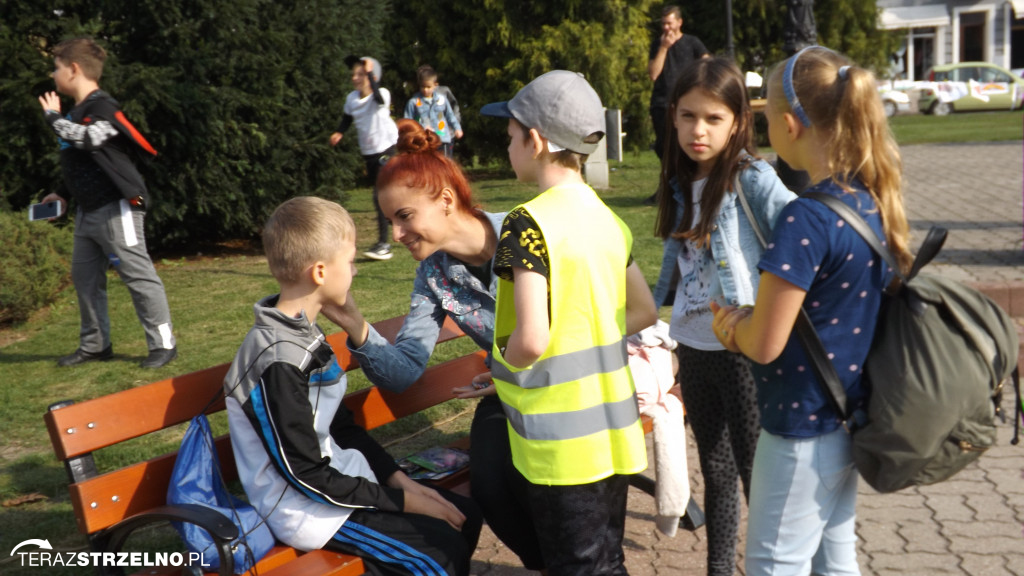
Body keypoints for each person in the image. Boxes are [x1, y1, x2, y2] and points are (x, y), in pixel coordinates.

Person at [710, 47, 912, 575]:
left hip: (800, 428)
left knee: (774, 564)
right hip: (848, 419)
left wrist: (733, 326)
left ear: (789, 125)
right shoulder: (870, 200)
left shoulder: (806, 218)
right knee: (834, 561)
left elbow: (765, 343)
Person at [321, 118, 546, 571]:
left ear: (445, 200)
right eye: (391, 222)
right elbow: (404, 372)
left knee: (541, 482)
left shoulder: (523, 232)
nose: (397, 235)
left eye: (404, 217)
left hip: (560, 386)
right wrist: (356, 325)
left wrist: (512, 378)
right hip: (505, 393)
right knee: (489, 487)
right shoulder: (434, 274)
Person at [223, 196, 482, 576]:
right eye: (349, 260)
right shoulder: (276, 360)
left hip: (340, 486)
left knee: (464, 516)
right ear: (320, 272)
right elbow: (303, 474)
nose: (355, 270)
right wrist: (402, 501)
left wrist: (400, 482)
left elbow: (342, 428)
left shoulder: (302, 334)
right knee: (437, 554)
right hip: (307, 511)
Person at [480, 70, 658, 576]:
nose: (508, 147)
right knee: (607, 562)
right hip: (612, 434)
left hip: (559, 448)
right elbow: (644, 311)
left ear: (535, 141)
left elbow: (532, 339)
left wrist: (500, 366)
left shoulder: (526, 223)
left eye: (511, 136)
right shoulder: (608, 219)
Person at [652, 58, 795, 576]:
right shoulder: (678, 183)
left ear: (737, 122)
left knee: (758, 472)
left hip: (742, 352)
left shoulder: (751, 178)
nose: (699, 130)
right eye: (689, 116)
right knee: (715, 469)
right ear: (673, 116)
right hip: (692, 345)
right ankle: (719, 568)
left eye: (714, 119)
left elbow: (802, 231)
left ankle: (771, 567)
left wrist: (771, 307)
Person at [37, 36, 177, 369]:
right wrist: (62, 194)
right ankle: (95, 346)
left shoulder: (102, 107)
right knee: (85, 279)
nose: (53, 74)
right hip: (87, 212)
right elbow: (84, 161)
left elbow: (89, 139)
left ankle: (163, 345)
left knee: (139, 276)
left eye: (56, 67)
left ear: (74, 69)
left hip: (118, 207)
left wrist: (53, 118)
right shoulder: (77, 112)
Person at [330, 55, 399, 261]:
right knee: (386, 196)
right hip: (369, 154)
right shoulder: (351, 98)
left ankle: (383, 245)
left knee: (379, 196)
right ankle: (402, 223)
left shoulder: (382, 94)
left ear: (372, 76)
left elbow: (378, 99)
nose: (355, 78)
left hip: (386, 149)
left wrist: (370, 72)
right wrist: (339, 132)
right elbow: (347, 118)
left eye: (360, 74)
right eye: (353, 74)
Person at [646, 5, 709, 204]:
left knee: (685, 147)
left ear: (679, 22)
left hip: (687, 103)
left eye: (670, 23)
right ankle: (666, 189)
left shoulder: (692, 43)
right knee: (663, 148)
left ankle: (689, 187)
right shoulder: (657, 45)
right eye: (663, 24)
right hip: (661, 103)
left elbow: (708, 65)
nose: (666, 28)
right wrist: (664, 48)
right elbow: (653, 74)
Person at [404, 66, 463, 158]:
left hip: (442, 139)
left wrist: (457, 128)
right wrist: (420, 130)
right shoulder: (413, 102)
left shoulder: (442, 100)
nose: (425, 90)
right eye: (423, 87)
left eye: (428, 87)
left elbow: (450, 116)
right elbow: (408, 122)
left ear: (435, 85)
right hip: (424, 142)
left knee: (444, 164)